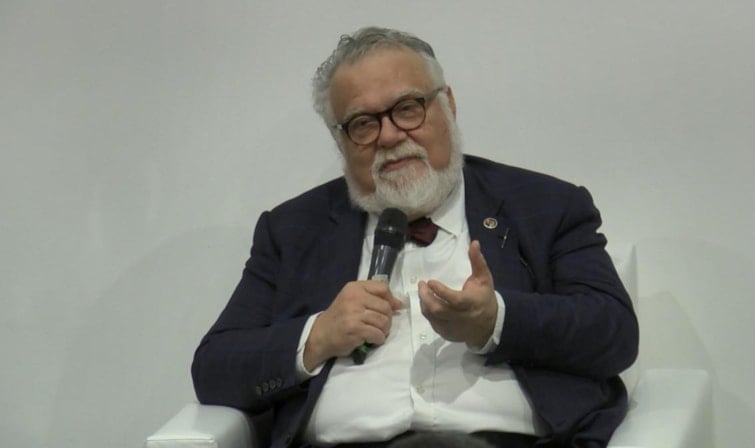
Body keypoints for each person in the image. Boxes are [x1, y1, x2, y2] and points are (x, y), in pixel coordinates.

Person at [191, 26, 638, 448]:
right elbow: (214, 369)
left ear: (449, 106)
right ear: (340, 141)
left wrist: (496, 320)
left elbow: (614, 334)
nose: (388, 136)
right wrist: (318, 336)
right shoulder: (292, 229)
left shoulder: (545, 206)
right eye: (363, 123)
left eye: (407, 108)